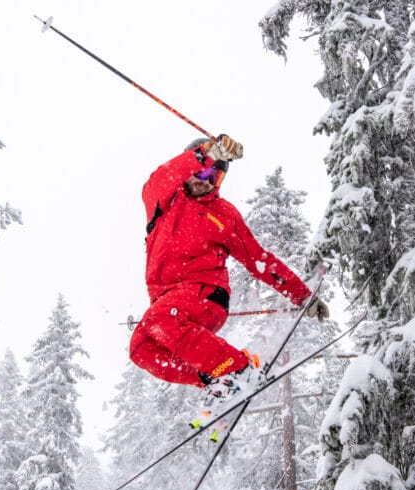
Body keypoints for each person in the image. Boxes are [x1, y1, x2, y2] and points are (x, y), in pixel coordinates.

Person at [129, 134, 329, 401]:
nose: (207, 181)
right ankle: (212, 378)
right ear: (189, 167)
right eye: (203, 172)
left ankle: (238, 370)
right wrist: (208, 152)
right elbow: (163, 175)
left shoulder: (223, 214)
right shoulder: (164, 199)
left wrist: (301, 294)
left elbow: (260, 260)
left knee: (159, 320)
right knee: (140, 348)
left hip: (207, 295)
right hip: (168, 302)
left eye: (216, 176)